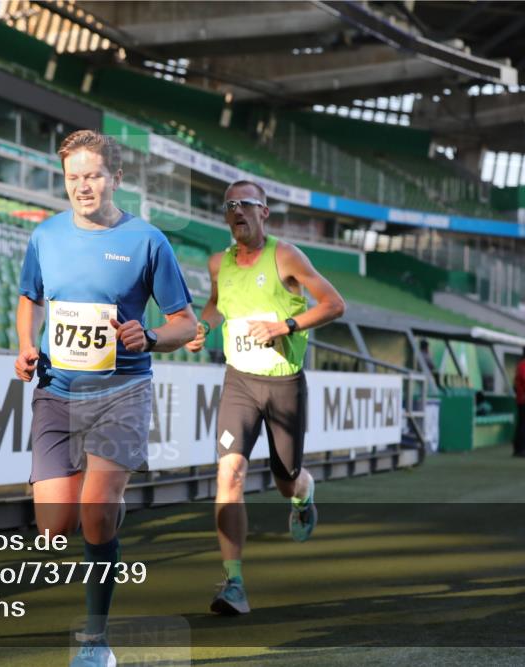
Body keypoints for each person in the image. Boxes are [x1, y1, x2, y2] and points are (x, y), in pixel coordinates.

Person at [14, 129, 196, 666]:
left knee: (95, 516)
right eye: (73, 177)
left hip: (123, 390)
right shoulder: (45, 236)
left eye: (93, 175)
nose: (82, 187)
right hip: (56, 392)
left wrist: (152, 335)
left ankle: (96, 641)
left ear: (116, 178)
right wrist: (26, 346)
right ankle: (105, 517)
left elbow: (184, 323)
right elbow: (30, 298)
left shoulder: (147, 241)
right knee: (53, 525)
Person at [186, 180, 346, 616]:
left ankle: (303, 492)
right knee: (229, 473)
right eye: (229, 206)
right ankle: (234, 582)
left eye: (245, 204)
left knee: (284, 479)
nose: (236, 211)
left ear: (264, 212)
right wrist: (203, 327)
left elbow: (334, 305)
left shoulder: (287, 256)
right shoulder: (219, 262)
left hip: (283, 383)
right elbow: (217, 304)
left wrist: (286, 327)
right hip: (239, 381)